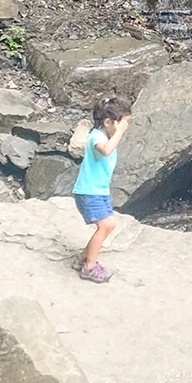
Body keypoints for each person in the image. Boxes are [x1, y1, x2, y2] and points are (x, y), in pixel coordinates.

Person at [69, 93, 131, 283]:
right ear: (108, 122)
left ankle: (83, 259)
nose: (125, 128)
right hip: (89, 192)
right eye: (122, 124)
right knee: (106, 225)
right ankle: (89, 266)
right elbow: (105, 150)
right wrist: (119, 133)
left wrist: (118, 131)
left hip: (98, 191)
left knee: (109, 224)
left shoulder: (102, 135)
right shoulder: (95, 137)